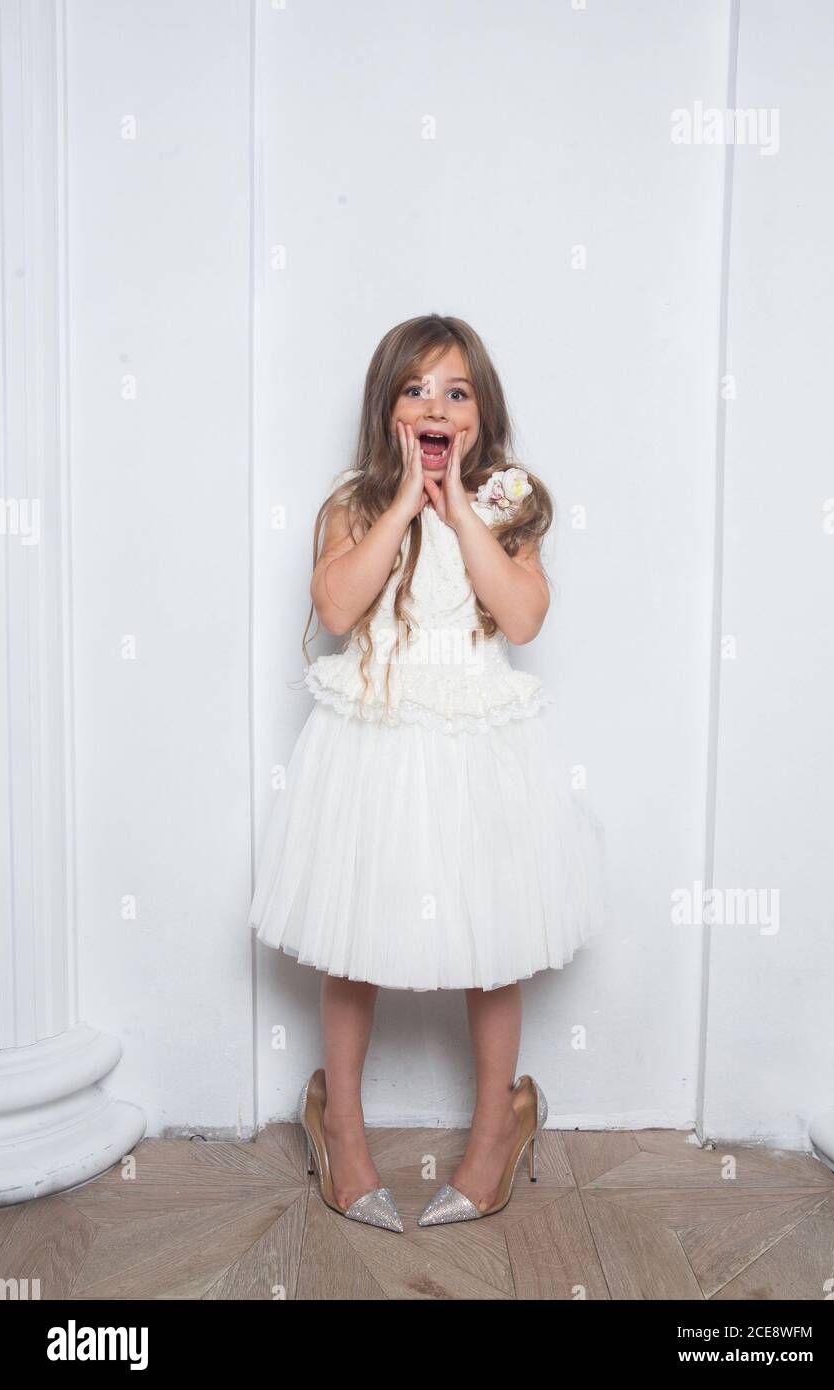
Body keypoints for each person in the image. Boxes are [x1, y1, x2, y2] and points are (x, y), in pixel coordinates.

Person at [249, 314, 606, 1232]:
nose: (436, 404)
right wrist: (408, 504)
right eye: (416, 388)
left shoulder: (507, 502)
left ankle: (499, 1128)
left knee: (491, 943)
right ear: (388, 412)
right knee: (354, 933)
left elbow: (522, 619)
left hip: (476, 750)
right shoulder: (356, 504)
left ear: (481, 415)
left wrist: (457, 514)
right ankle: (344, 1125)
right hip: (375, 746)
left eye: (456, 390)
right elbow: (335, 606)